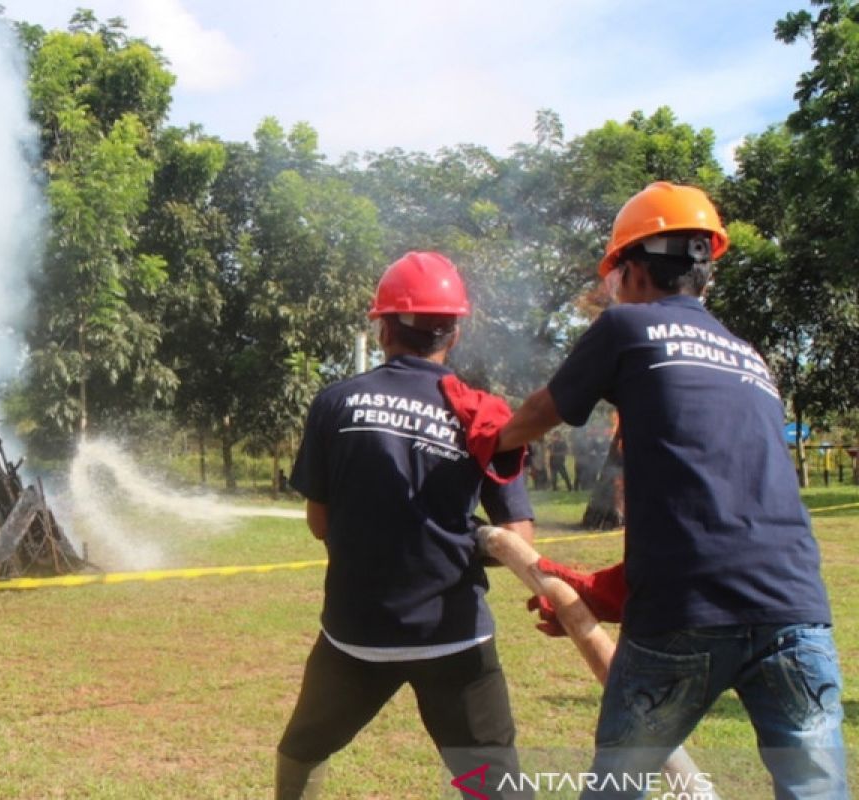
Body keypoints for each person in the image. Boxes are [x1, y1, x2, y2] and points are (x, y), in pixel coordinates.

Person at [494, 182, 847, 798]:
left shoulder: (627, 328)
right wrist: (612, 587)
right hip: (795, 608)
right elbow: (721, 502)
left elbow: (541, 413)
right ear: (703, 273)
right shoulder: (750, 357)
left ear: (630, 271)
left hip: (685, 614)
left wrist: (488, 443)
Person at [276, 251, 534, 799]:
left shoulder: (335, 403)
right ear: (455, 332)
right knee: (494, 786)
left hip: (356, 634)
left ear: (385, 325)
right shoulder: (483, 412)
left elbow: (319, 524)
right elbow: (520, 542)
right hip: (455, 636)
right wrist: (463, 536)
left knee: (304, 747)